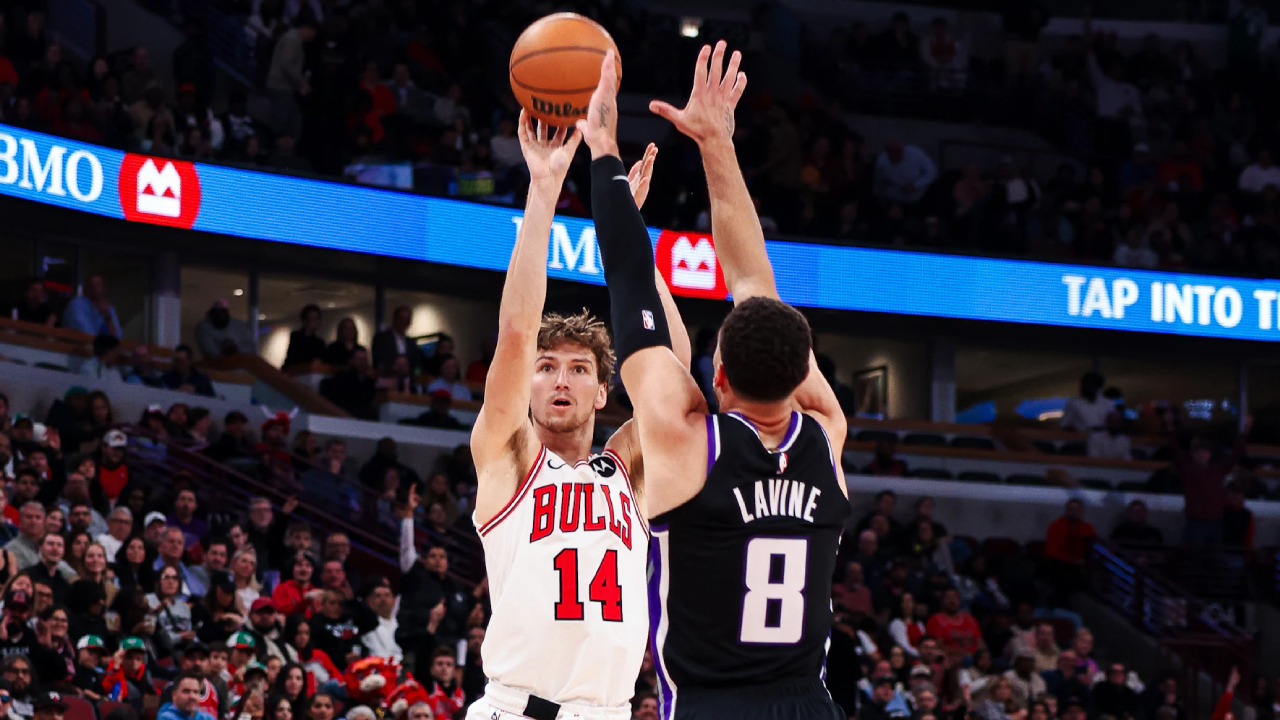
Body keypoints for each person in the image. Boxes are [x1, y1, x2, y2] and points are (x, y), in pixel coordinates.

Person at [593, 42, 851, 719]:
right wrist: (717, 143)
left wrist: (602, 154)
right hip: (810, 705)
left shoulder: (687, 445)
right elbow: (753, 284)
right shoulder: (827, 433)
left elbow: (630, 288)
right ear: (803, 378)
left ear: (719, 374)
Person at [463, 101, 671, 719]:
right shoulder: (509, 456)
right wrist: (545, 188)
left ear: (604, 391)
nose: (560, 380)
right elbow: (515, 333)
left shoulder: (626, 470)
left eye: (579, 369)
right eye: (547, 367)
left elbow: (668, 367)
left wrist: (626, 228)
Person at [1043, 499, 1095, 603]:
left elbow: (1091, 549)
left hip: (1081, 564)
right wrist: (1071, 560)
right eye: (1071, 509)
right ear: (1066, 510)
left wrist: (1082, 561)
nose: (1074, 512)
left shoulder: (1088, 528)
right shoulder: (1056, 525)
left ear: (1081, 511)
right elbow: (1052, 551)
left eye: (1077, 509)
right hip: (1059, 564)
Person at [925, 587, 984, 657]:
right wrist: (961, 653)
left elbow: (980, 641)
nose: (952, 600)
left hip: (974, 659)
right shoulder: (935, 620)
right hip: (950, 659)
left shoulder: (969, 618)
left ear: (959, 600)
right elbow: (937, 647)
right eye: (948, 597)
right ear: (942, 600)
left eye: (955, 597)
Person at [371, 307, 426, 374]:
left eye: (407, 320)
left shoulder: (411, 343)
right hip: (388, 379)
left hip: (408, 380)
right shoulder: (381, 339)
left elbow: (417, 364)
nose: (404, 323)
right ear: (394, 319)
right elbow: (378, 362)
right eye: (401, 319)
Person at [6, 503, 44, 570]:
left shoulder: (48, 547)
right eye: (29, 517)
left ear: (44, 522)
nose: (33, 521)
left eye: (38, 517)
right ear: (20, 521)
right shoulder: (11, 550)